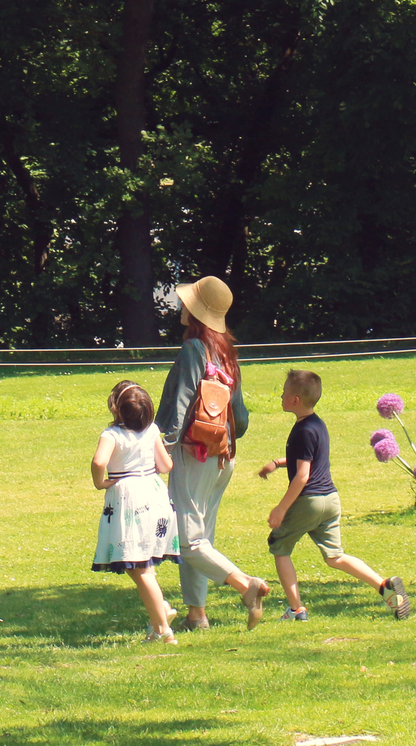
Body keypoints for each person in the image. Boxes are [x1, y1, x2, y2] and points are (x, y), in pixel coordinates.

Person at [156, 275, 272, 629]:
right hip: (223, 455)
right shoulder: (227, 353)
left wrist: (162, 448)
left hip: (194, 455)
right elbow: (241, 419)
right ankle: (197, 614)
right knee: (201, 537)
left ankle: (246, 586)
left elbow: (180, 405)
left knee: (189, 541)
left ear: (195, 310)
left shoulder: (193, 349)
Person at [257, 368, 411, 622]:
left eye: (284, 393)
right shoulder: (316, 424)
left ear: (295, 400)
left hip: (310, 501)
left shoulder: (301, 431)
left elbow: (303, 475)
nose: (281, 397)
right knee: (335, 556)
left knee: (280, 548)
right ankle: (384, 586)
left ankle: (296, 610)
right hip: (330, 499)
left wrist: (281, 508)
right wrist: (277, 463)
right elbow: (309, 458)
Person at [90, 380, 181, 643]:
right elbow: (165, 466)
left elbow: (99, 461)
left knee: (138, 566)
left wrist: (100, 481)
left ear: (115, 408)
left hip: (128, 499)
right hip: (154, 494)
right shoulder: (152, 430)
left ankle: (163, 629)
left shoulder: (112, 434)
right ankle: (159, 614)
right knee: (141, 564)